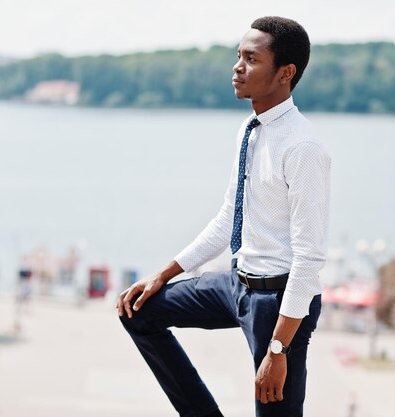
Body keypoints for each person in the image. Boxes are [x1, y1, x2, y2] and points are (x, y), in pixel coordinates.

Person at [116, 16, 331, 417]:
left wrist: (278, 350)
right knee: (138, 312)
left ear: (286, 73)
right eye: (238, 56)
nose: (237, 67)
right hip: (235, 286)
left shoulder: (303, 148)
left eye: (251, 58)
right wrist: (162, 275)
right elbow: (226, 221)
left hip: (279, 304)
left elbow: (309, 260)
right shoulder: (250, 130)